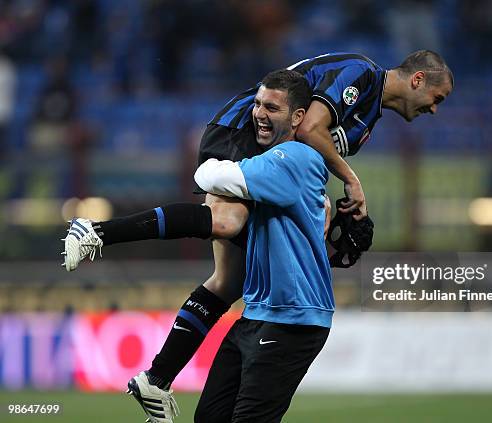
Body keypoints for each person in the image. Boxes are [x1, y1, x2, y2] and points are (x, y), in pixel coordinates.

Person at [62, 50, 453, 421]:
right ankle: (96, 231)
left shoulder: (368, 119)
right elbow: (309, 129)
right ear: (418, 79)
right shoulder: (361, 73)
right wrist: (351, 181)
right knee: (227, 222)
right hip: (242, 131)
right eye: (437, 97)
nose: (435, 109)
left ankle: (157, 378)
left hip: (270, 151)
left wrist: (320, 202)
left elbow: (306, 156)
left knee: (227, 281)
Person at [193, 69, 332, 422]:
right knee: (209, 417)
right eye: (256, 104)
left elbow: (214, 176)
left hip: (293, 317)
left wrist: (208, 167)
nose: (258, 114)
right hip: (257, 312)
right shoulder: (269, 163)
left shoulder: (296, 159)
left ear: (298, 117)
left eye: (271, 107)